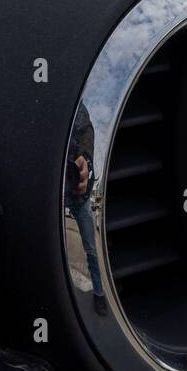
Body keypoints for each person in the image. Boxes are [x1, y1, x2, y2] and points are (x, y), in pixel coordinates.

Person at [66, 103, 107, 315]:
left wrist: (86, 160)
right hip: (54, 193)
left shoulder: (77, 106)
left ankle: (99, 294)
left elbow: (86, 131)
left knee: (91, 249)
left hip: (79, 197)